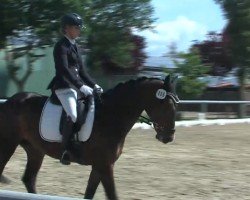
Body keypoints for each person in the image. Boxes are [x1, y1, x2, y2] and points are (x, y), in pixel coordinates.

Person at [47, 13, 103, 165]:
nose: (79, 30)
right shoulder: (61, 46)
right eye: (76, 27)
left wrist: (94, 84)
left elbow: (82, 72)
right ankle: (64, 149)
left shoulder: (76, 46)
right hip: (64, 87)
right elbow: (64, 70)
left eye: (79, 27)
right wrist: (81, 86)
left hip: (77, 87)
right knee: (72, 114)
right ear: (67, 28)